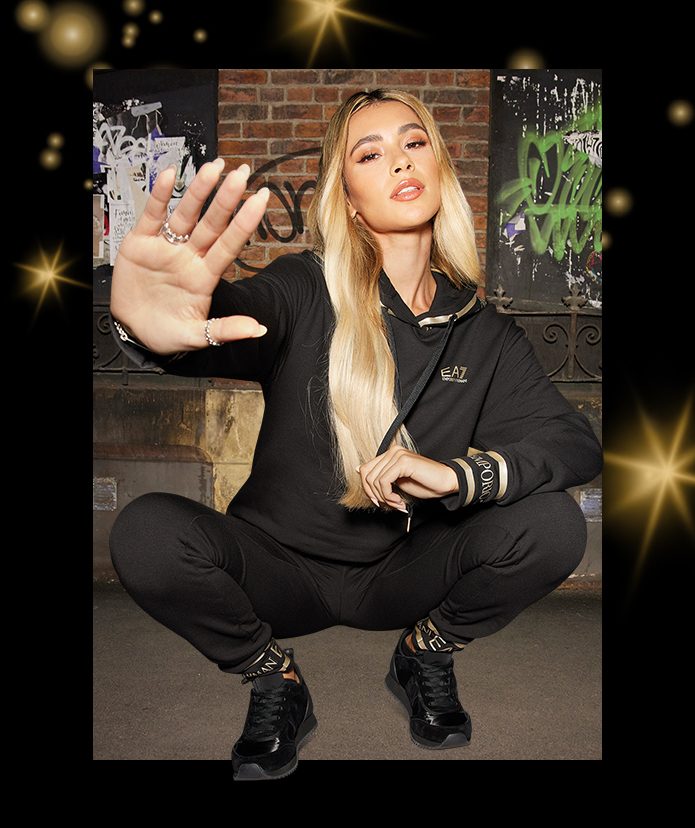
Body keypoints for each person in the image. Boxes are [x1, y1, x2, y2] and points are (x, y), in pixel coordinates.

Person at [107, 88, 603, 776]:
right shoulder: (303, 286)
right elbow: (237, 315)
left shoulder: (482, 331)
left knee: (552, 524)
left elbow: (574, 444)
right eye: (369, 155)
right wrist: (154, 324)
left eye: (414, 142)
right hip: (278, 568)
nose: (400, 161)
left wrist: (460, 475)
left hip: (403, 571)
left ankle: (424, 653)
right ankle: (273, 678)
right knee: (146, 532)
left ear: (439, 166)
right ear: (347, 199)